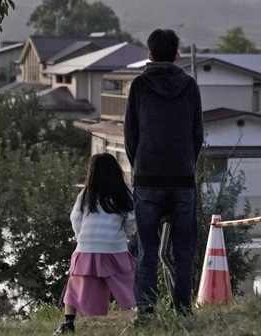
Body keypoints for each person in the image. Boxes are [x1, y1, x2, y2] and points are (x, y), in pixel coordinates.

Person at [124, 28, 204, 320]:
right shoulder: (190, 86)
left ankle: (145, 313)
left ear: (149, 54)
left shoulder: (139, 86)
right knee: (183, 252)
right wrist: (187, 165)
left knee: (147, 251)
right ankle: (183, 312)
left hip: (147, 180)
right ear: (177, 55)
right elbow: (198, 135)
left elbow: (130, 135)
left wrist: (140, 166)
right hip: (183, 180)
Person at [54, 153, 137, 334]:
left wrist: (80, 237)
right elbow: (132, 219)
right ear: (116, 171)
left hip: (86, 247)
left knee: (75, 285)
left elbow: (75, 218)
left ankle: (68, 323)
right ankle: (136, 316)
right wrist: (126, 234)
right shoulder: (125, 192)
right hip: (114, 248)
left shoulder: (86, 194)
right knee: (127, 284)